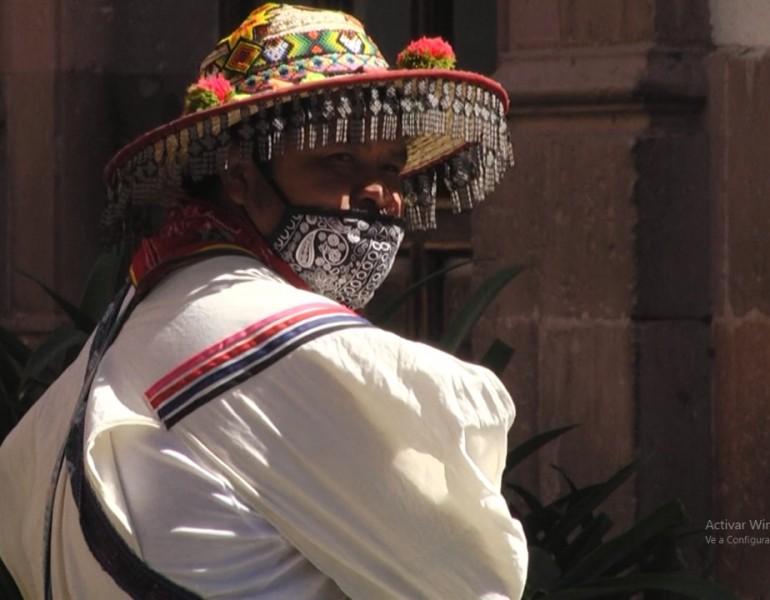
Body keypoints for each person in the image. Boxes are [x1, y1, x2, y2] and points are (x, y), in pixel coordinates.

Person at [0, 3, 527, 598]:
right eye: (338, 159)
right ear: (238, 175)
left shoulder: (133, 322)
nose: (381, 195)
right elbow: (469, 579)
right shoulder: (276, 338)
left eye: (393, 168)